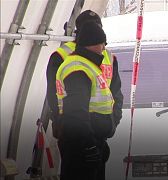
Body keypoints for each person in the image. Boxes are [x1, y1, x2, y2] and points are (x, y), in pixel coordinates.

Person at [55, 21, 122, 180]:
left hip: (91, 143)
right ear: (91, 44)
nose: (103, 48)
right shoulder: (78, 69)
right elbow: (76, 113)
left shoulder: (87, 65)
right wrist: (88, 146)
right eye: (101, 44)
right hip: (81, 147)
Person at [46, 10, 123, 139]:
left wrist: (112, 121)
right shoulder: (62, 55)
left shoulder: (108, 56)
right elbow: (54, 93)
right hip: (75, 130)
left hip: (100, 129)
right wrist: (60, 122)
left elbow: (116, 92)